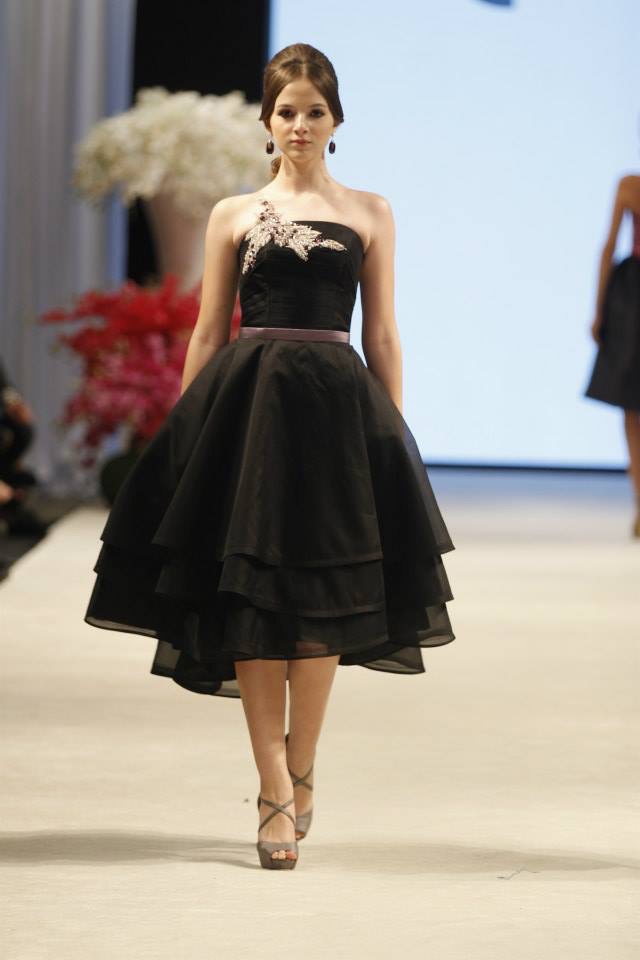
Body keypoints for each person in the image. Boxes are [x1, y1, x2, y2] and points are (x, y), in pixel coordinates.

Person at [84, 43, 456, 870]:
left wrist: (393, 438)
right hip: (248, 413)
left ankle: (304, 764)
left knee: (323, 597)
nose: (299, 124)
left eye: (314, 111)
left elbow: (383, 332)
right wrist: (187, 436)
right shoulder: (234, 214)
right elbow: (208, 330)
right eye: (286, 111)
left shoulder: (371, 212)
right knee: (250, 597)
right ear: (266, 120)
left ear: (336, 120)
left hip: (337, 416)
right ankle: (273, 791)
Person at [585, 174, 640, 537]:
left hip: (632, 295)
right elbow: (608, 247)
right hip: (632, 298)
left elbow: (608, 248)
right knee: (631, 401)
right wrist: (599, 311)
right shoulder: (630, 185)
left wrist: (599, 310)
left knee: (632, 406)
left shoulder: (631, 186)